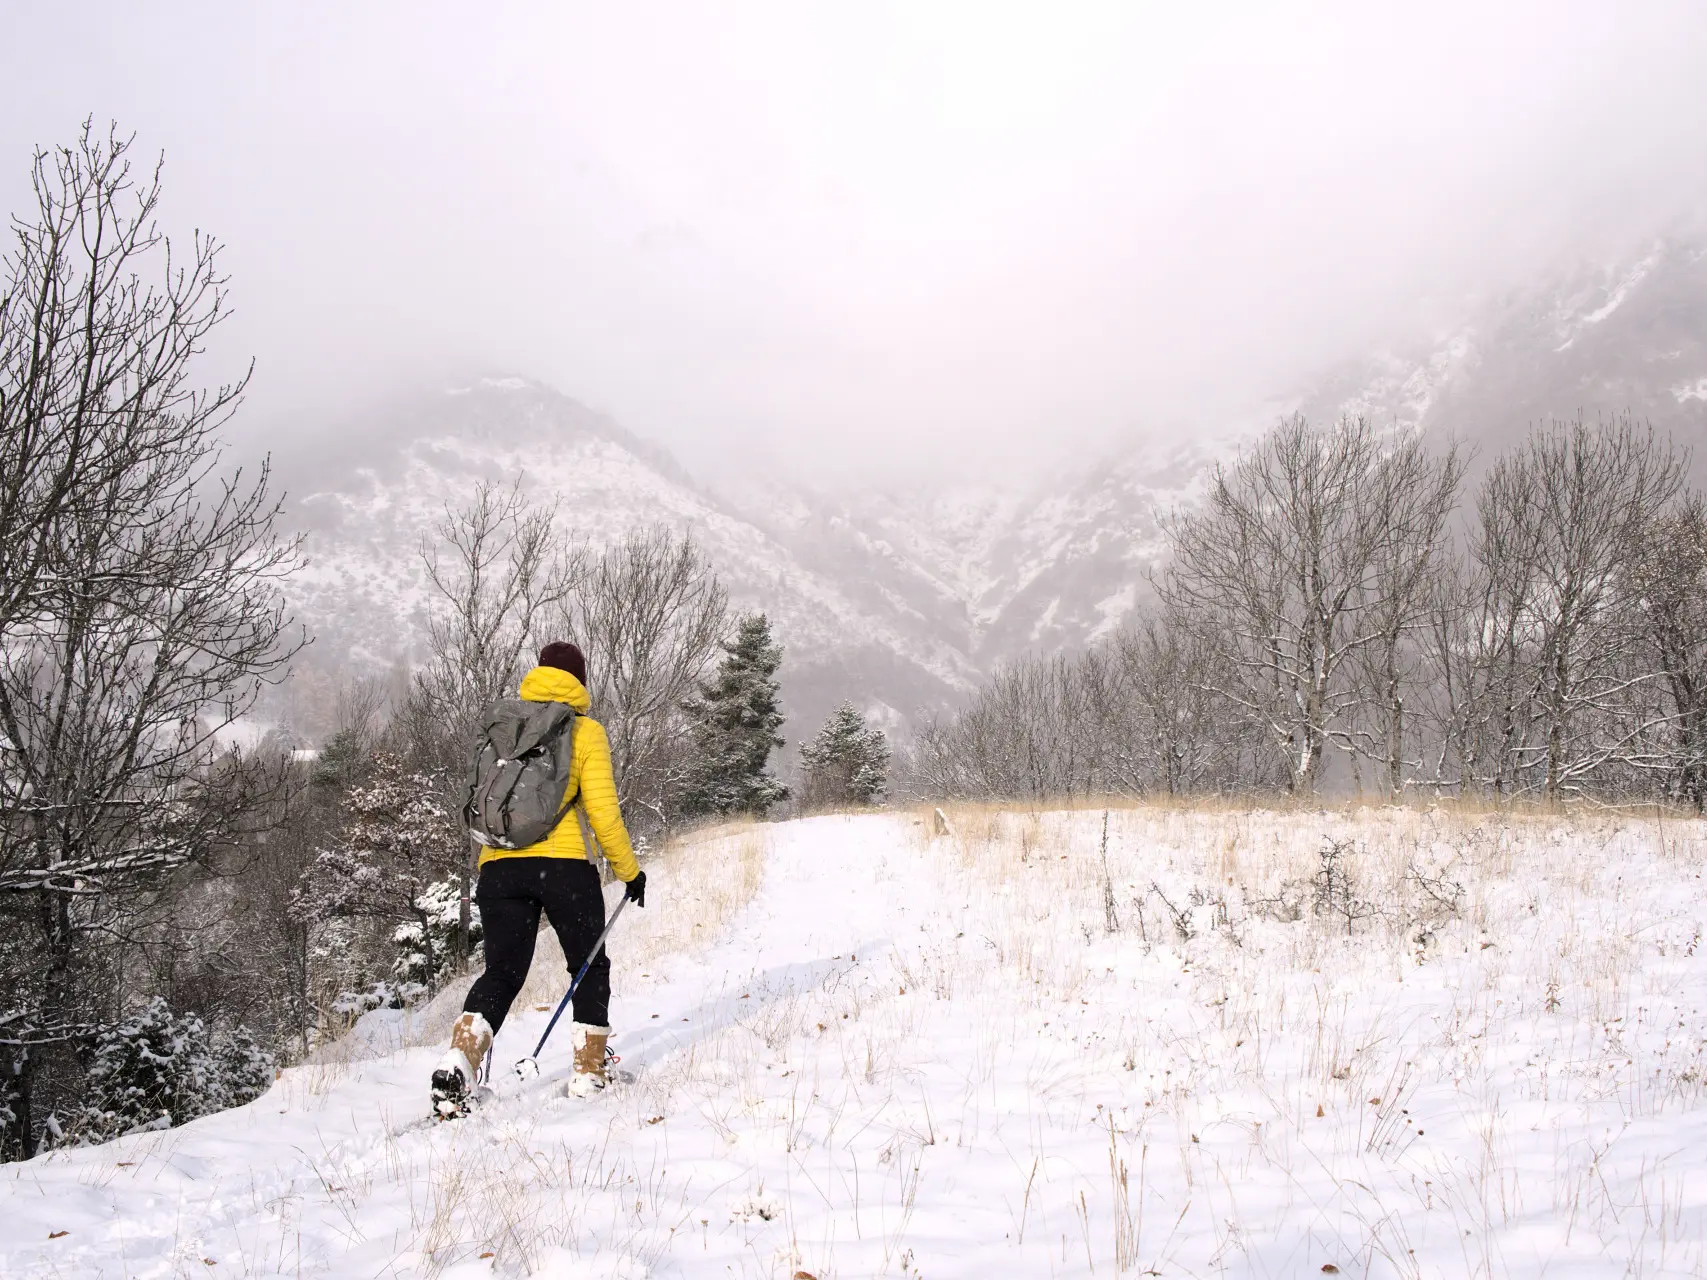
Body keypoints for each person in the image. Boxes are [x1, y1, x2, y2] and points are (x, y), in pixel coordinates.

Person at [432, 641, 647, 1110]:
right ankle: (589, 1073)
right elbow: (604, 816)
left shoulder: (500, 728)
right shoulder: (585, 731)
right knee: (588, 964)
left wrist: (490, 862)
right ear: (579, 680)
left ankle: (458, 1062)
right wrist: (630, 873)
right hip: (565, 868)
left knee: (503, 972)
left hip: (498, 866)